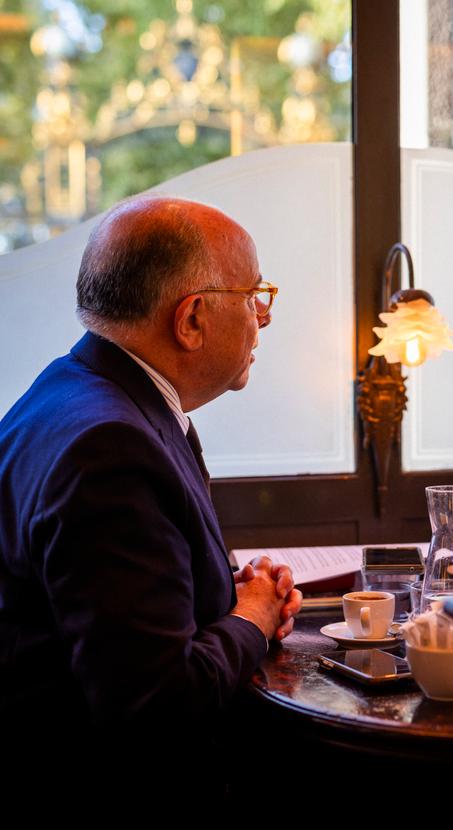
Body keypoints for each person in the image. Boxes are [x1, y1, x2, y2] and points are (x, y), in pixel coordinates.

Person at [0, 195, 303, 791]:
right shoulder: (111, 448)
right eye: (252, 297)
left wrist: (236, 604)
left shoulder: (71, 389)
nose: (263, 318)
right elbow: (158, 708)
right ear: (190, 319)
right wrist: (254, 614)